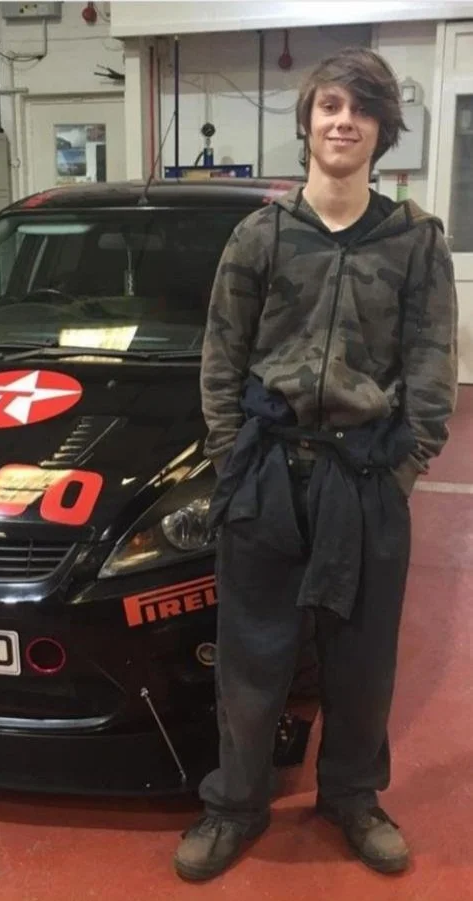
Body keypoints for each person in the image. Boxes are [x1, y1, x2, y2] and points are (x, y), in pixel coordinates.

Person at [174, 46, 458, 882]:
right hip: (267, 474)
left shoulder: (414, 243)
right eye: (330, 106)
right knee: (249, 658)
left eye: (361, 110)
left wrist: (404, 467)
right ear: (306, 121)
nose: (343, 122)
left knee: (361, 659)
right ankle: (235, 803)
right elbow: (220, 359)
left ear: (382, 131)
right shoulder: (260, 236)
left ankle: (352, 797)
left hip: (366, 478)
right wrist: (231, 460)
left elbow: (432, 365)